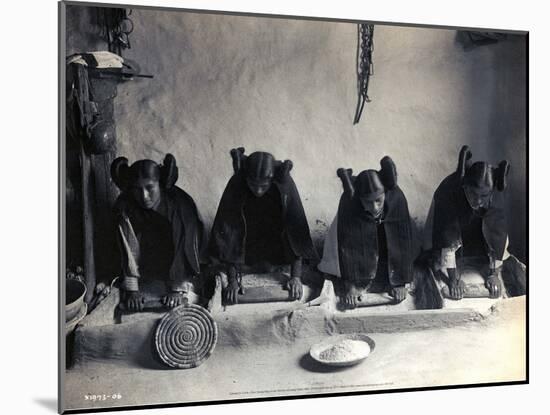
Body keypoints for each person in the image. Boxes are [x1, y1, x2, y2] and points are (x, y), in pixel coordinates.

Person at [208, 148, 318, 304]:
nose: (258, 190)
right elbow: (230, 232)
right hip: (248, 241)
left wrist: (295, 277)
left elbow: (295, 232)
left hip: (275, 242)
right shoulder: (237, 184)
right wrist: (233, 280)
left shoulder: (284, 184)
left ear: (272, 180)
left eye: (263, 186)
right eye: (253, 185)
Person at [111, 154, 206, 311]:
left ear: (160, 184)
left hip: (180, 272)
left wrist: (177, 289)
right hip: (146, 271)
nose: (144, 196)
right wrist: (133, 290)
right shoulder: (126, 206)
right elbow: (128, 246)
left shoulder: (181, 206)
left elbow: (186, 245)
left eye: (150, 188)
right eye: (137, 189)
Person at [318, 157, 414, 309]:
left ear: (385, 194)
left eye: (378, 200)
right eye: (367, 202)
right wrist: (351, 285)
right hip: (360, 249)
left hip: (384, 251)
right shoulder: (350, 203)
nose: (375, 207)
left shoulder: (397, 198)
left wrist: (400, 281)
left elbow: (402, 241)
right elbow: (347, 246)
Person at [420, 145, 510, 304]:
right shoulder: (449, 192)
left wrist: (493, 274)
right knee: (435, 256)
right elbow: (446, 238)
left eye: (484, 196)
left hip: (476, 226)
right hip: (451, 223)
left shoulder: (495, 197)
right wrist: (453, 279)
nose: (479, 200)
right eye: (474, 194)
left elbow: (498, 235)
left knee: (486, 240)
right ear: (465, 186)